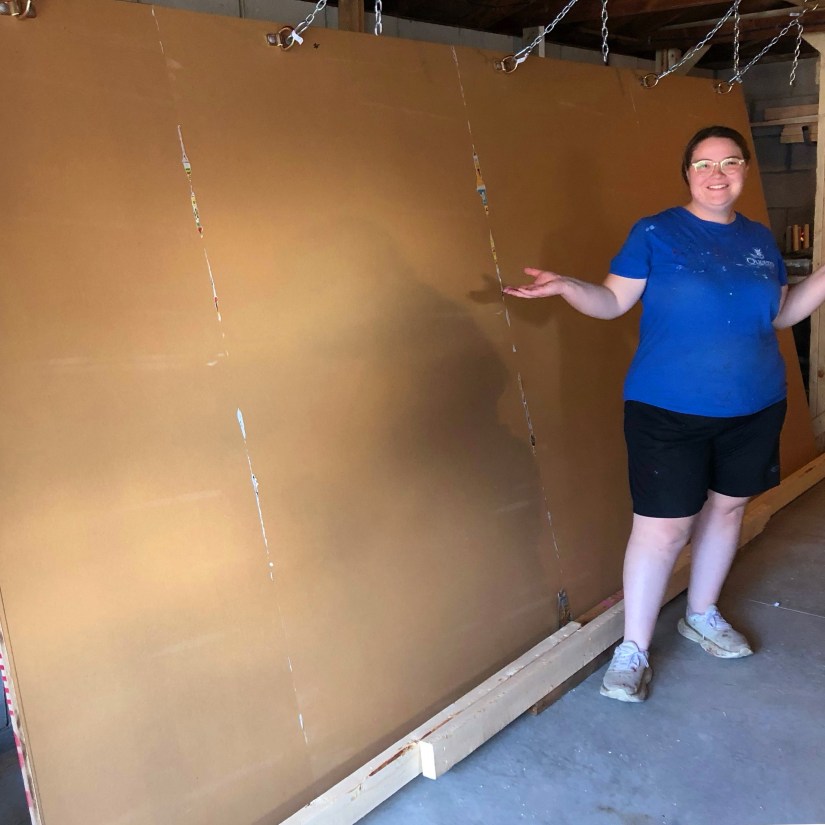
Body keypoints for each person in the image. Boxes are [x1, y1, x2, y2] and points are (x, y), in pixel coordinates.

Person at [504, 125, 825, 702]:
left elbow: (778, 316)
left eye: (730, 162)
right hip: (667, 408)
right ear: (688, 174)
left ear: (746, 172)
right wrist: (570, 286)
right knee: (663, 529)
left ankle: (700, 613)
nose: (717, 174)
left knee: (727, 514)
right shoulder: (656, 232)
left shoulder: (758, 240)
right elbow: (611, 302)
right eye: (704, 164)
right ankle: (634, 647)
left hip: (755, 405)